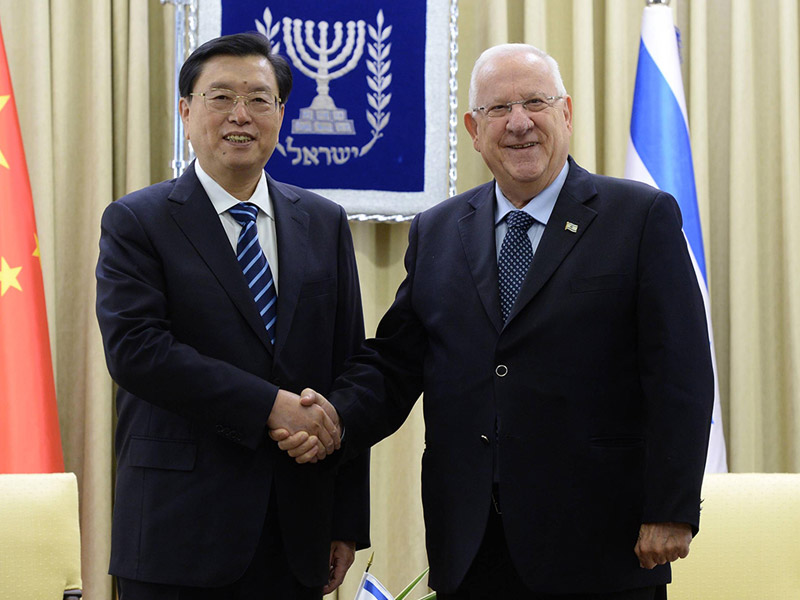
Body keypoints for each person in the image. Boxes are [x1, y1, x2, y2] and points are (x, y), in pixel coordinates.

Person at [274, 44, 713, 599]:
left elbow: (682, 374)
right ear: (473, 128)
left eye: (535, 102)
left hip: (602, 541)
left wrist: (671, 508)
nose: (520, 123)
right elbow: (394, 364)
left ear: (567, 113)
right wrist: (330, 417)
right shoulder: (437, 231)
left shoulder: (640, 216)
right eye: (499, 109)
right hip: (472, 543)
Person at [96, 32, 369, 600]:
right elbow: (138, 352)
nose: (240, 115)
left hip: (296, 532)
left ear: (280, 115)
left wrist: (345, 520)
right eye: (221, 97)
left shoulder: (323, 221)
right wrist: (268, 405)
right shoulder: (137, 221)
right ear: (186, 112)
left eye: (259, 99)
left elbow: (348, 366)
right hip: (178, 533)